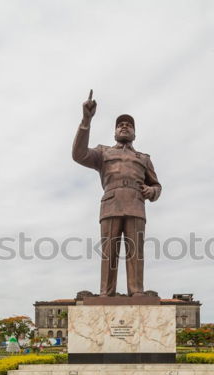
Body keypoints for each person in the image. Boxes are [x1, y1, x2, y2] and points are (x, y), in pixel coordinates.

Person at [72, 91, 161, 296]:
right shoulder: (103, 152)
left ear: (134, 134)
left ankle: (136, 291)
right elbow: (78, 154)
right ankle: (106, 292)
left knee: (135, 253)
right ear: (114, 133)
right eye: (120, 125)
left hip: (136, 205)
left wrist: (152, 191)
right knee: (109, 253)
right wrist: (86, 120)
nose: (124, 126)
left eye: (129, 125)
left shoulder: (144, 158)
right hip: (111, 204)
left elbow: (157, 185)